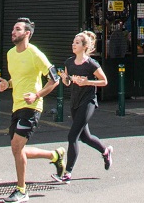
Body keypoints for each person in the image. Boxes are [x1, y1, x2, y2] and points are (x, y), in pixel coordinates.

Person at [0, 18, 64, 203]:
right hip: (16, 105)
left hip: (32, 107)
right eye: (13, 28)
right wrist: (7, 84)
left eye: (17, 29)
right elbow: (18, 78)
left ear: (27, 33)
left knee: (16, 146)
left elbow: (54, 79)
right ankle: (55, 155)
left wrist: (37, 95)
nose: (13, 31)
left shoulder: (35, 54)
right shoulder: (11, 53)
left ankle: (21, 190)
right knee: (18, 150)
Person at [59, 30, 112, 182]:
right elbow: (68, 82)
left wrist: (87, 82)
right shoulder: (69, 62)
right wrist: (65, 79)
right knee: (85, 137)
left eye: (76, 43)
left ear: (84, 46)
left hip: (88, 101)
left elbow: (104, 81)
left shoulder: (91, 64)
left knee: (72, 136)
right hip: (75, 101)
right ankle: (105, 151)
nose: (73, 45)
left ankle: (67, 172)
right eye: (73, 42)